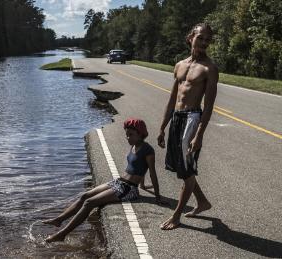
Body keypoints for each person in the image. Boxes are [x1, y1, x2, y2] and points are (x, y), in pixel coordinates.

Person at [43, 118, 161, 242]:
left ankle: (62, 234)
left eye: (131, 135)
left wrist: (157, 197)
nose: (128, 138)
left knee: (89, 202)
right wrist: (143, 184)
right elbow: (139, 167)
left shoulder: (148, 150)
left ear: (141, 134)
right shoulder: (134, 146)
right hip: (119, 182)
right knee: (85, 195)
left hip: (129, 189)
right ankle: (59, 220)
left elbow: (152, 172)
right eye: (126, 134)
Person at [157, 23, 218, 230]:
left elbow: (208, 106)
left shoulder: (209, 68)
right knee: (183, 169)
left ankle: (176, 216)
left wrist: (199, 135)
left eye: (208, 40)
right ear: (191, 37)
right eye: (201, 38)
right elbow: (172, 97)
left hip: (192, 119)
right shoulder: (179, 65)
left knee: (187, 168)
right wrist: (163, 126)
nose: (204, 43)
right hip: (177, 118)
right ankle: (202, 202)